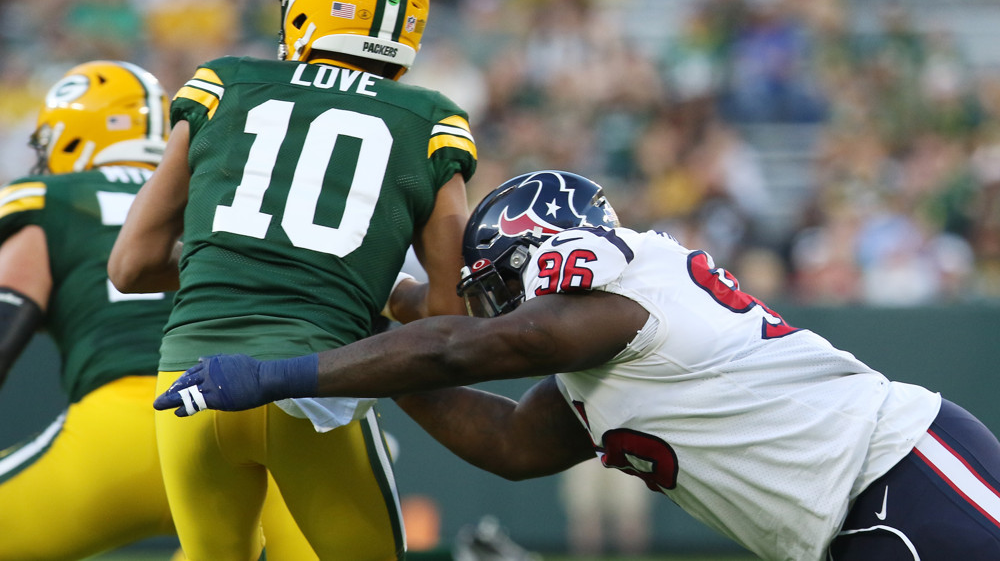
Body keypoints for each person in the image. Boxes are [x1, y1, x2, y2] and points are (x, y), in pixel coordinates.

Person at [155, 170, 1000, 560]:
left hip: (906, 474)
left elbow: (464, 345)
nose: (494, 310)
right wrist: (379, 317)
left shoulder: (625, 290)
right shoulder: (600, 362)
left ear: (531, 252)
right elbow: (511, 446)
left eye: (494, 289)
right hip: (850, 521)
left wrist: (278, 374)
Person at [109, 0, 477, 561]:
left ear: (309, 5)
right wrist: (377, 292)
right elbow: (448, 318)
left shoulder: (224, 84)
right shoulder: (432, 121)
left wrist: (233, 264)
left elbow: (131, 265)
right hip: (311, 385)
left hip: (189, 380)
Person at [0, 60, 317, 561]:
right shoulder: (223, 195)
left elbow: (7, 318)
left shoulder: (54, 198)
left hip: (119, 431)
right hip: (244, 425)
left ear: (72, 135)